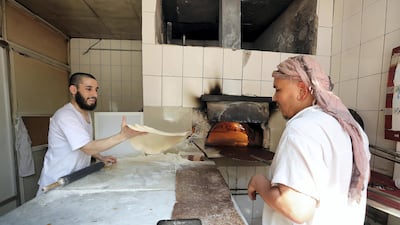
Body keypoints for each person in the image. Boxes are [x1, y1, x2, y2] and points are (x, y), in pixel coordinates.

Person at [247, 55, 371, 225]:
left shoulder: (302, 129)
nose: (274, 98)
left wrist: (259, 182)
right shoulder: (352, 129)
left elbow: (297, 208)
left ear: (302, 91)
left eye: (278, 89)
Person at [37, 72, 146, 196]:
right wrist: (123, 136)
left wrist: (101, 157)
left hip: (74, 179)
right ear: (73, 89)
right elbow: (87, 148)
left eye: (96, 90)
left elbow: (82, 144)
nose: (94, 94)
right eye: (88, 89)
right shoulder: (66, 116)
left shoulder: (85, 114)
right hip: (56, 183)